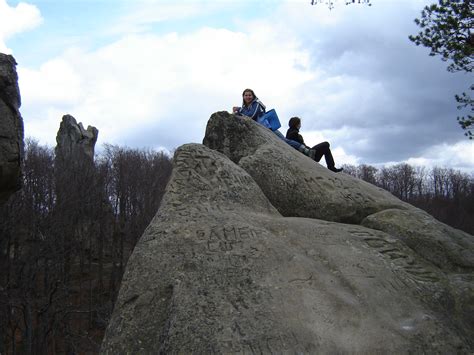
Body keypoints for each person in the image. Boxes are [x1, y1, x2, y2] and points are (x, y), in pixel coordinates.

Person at [233, 89, 316, 158]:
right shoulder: (244, 108)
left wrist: (239, 110)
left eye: (249, 95)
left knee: (284, 140)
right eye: (246, 95)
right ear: (243, 97)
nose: (248, 97)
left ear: (253, 96)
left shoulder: (256, 103)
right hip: (259, 128)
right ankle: (306, 151)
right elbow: (243, 115)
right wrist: (237, 112)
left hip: (267, 126)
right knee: (283, 141)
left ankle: (307, 151)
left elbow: (252, 115)